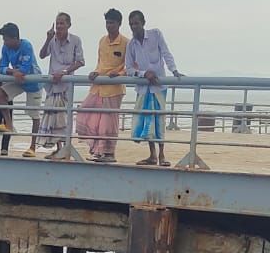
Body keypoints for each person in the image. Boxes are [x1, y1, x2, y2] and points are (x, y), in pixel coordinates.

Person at [125, 10, 181, 167]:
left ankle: (162, 155)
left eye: (136, 23)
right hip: (144, 87)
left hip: (159, 86)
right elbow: (128, 68)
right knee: (147, 120)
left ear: (143, 23)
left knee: (159, 119)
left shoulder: (156, 34)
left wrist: (174, 70)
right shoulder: (131, 44)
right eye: (131, 24)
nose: (133, 27)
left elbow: (166, 52)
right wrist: (143, 74)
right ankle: (152, 155)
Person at [76, 9, 128, 163]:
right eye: (107, 22)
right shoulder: (102, 41)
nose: (109, 25)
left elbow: (129, 65)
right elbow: (100, 63)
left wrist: (118, 74)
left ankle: (109, 153)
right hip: (98, 86)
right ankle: (97, 150)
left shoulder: (126, 42)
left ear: (119, 24)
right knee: (86, 111)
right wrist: (95, 72)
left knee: (108, 122)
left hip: (114, 88)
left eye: (112, 22)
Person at [38, 12, 86, 156]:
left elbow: (80, 61)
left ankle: (66, 148)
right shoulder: (52, 40)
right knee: (53, 117)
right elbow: (42, 55)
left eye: (62, 23)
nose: (59, 26)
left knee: (64, 117)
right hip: (53, 85)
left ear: (68, 25)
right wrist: (47, 39)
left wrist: (64, 72)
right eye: (57, 23)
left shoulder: (76, 40)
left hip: (66, 85)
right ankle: (58, 148)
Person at [0, 22, 43, 157]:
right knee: (0, 93)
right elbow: (1, 67)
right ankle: (9, 124)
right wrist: (12, 71)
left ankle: (32, 147)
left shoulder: (26, 45)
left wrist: (14, 72)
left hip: (34, 83)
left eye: (6, 39)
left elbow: (26, 69)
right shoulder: (5, 48)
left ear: (14, 38)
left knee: (34, 115)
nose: (4, 42)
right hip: (18, 80)